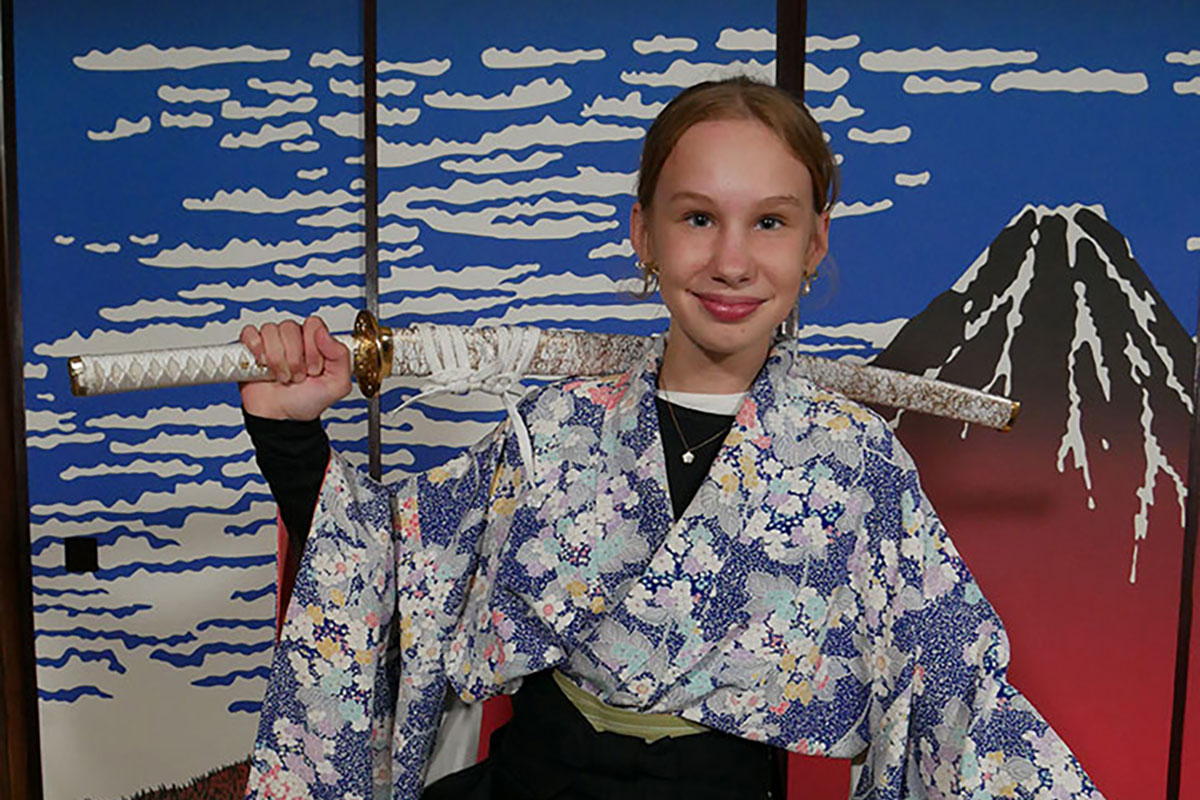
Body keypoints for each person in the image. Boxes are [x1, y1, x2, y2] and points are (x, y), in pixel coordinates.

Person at [239, 78, 1101, 799]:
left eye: (770, 221)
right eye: (696, 218)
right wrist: (289, 432)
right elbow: (382, 573)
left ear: (814, 243)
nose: (732, 260)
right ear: (642, 232)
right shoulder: (556, 428)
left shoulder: (852, 463)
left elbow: (955, 690)